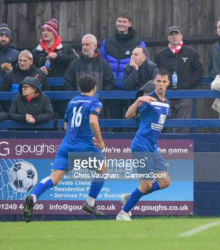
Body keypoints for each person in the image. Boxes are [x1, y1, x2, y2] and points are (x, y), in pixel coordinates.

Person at [23, 76, 107, 222]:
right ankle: (90, 203)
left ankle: (34, 196)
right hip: (83, 147)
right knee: (103, 168)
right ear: (94, 87)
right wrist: (99, 141)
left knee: (54, 177)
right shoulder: (95, 102)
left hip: (66, 145)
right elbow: (93, 121)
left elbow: (67, 126)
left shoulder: (72, 101)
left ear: (80, 87)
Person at [116, 68, 171, 221]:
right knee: (146, 184)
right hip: (140, 145)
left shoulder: (166, 102)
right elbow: (128, 115)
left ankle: (131, 196)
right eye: (158, 81)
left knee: (165, 182)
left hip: (152, 147)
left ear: (168, 83)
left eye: (164, 81)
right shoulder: (149, 99)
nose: (160, 84)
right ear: (154, 82)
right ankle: (123, 213)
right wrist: (139, 100)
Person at [154, 26, 203, 133]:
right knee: (162, 124)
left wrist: (188, 84)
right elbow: (155, 72)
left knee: (183, 125)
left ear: (181, 36)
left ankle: (182, 148)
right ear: (168, 37)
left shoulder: (191, 52)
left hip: (184, 94)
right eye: (171, 34)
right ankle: (165, 148)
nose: (174, 36)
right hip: (165, 94)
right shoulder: (160, 54)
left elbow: (198, 70)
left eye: (176, 34)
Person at [100, 11, 146, 121]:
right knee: (115, 119)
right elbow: (102, 64)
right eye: (119, 21)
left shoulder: (139, 43)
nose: (121, 24)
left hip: (132, 87)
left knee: (133, 119)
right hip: (112, 87)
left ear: (130, 24)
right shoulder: (106, 42)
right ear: (116, 23)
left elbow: (143, 64)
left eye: (124, 21)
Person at [32, 18, 79, 118]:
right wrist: (38, 71)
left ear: (55, 33)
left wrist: (59, 56)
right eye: (43, 31)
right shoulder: (36, 51)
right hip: (43, 93)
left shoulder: (66, 48)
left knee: (65, 120)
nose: (45, 33)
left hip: (63, 91)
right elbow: (30, 69)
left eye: (48, 30)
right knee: (46, 121)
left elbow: (76, 61)